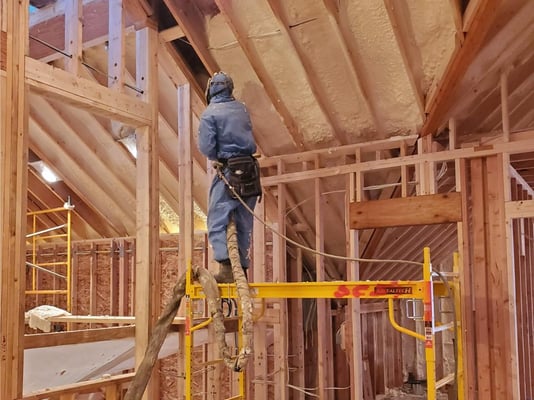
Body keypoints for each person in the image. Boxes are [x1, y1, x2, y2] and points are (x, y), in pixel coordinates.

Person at [198, 72, 261, 283]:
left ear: (211, 90)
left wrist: (216, 156)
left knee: (217, 217)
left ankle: (226, 267)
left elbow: (206, 146)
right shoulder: (241, 108)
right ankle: (241, 267)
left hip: (228, 171)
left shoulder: (210, 114)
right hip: (250, 170)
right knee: (244, 219)